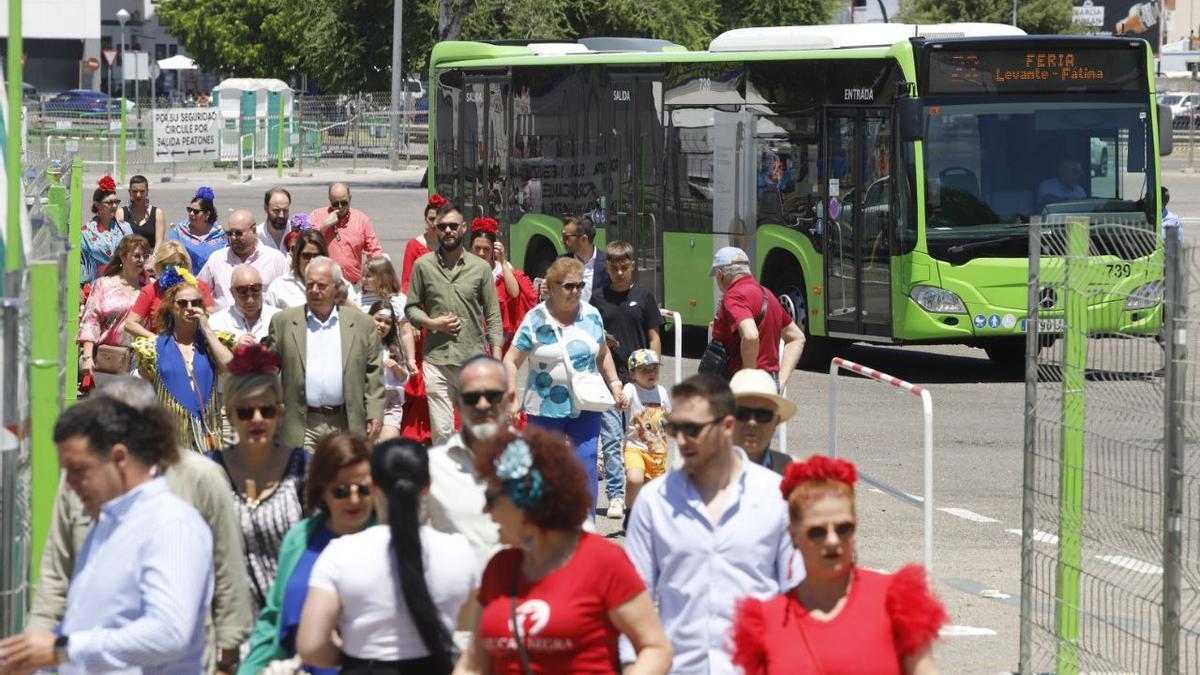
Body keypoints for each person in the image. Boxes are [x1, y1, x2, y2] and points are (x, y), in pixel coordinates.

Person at [24, 377, 252, 675]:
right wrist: (32, 656)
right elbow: (56, 580)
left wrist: (228, 659)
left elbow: (226, 571)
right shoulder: (91, 496)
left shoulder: (190, 495)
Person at [0, 397, 212, 673]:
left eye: (78, 471)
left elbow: (169, 632)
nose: (68, 487)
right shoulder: (110, 525)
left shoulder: (171, 524)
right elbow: (87, 624)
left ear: (119, 458)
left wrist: (62, 649)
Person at [454, 426, 672, 674]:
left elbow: (655, 648)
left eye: (491, 498)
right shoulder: (499, 568)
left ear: (526, 501)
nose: (485, 510)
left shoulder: (602, 561)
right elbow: (473, 665)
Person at [621, 373, 798, 674]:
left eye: (693, 429)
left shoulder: (776, 497)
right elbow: (633, 600)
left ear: (727, 426)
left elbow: (797, 596)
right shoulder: (653, 502)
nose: (680, 440)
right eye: (674, 428)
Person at [729, 456, 948, 674]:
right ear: (793, 536)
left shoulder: (896, 601)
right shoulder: (766, 622)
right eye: (817, 531)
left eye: (844, 528)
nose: (832, 541)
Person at [298, 439, 478, 674]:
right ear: (427, 485)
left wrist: (356, 656)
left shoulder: (341, 553)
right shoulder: (459, 551)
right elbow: (467, 621)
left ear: (372, 486)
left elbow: (311, 646)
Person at [240, 433, 376, 675]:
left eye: (363, 489)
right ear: (322, 490)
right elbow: (272, 618)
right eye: (341, 491)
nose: (354, 499)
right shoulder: (300, 539)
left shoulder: (390, 542)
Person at [504, 256, 627, 505]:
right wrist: (511, 397)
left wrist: (615, 384)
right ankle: (545, 526)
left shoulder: (591, 315)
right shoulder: (535, 319)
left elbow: (602, 354)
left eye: (580, 286)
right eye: (569, 286)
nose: (576, 292)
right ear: (551, 286)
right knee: (546, 465)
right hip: (544, 405)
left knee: (587, 459)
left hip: (586, 401)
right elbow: (510, 360)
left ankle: (585, 526)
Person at [207, 344, 308, 616]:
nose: (257, 419)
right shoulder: (209, 471)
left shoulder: (303, 468)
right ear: (229, 415)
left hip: (289, 615)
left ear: (280, 413)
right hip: (226, 617)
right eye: (245, 412)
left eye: (267, 411)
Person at [405, 201, 504, 444]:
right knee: (441, 431)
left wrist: (498, 357)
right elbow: (411, 308)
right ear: (435, 229)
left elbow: (492, 314)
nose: (447, 231)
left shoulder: (480, 268)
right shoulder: (423, 266)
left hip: (471, 359)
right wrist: (432, 323)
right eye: (442, 227)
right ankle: (445, 479)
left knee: (477, 429)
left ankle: (475, 478)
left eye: (452, 226)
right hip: (436, 360)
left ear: (463, 228)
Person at [269, 256, 385, 449]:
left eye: (321, 285)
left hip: (346, 423)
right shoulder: (284, 322)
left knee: (343, 479)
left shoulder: (361, 324)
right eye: (310, 285)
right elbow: (268, 370)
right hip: (301, 425)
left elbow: (373, 374)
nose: (314, 291)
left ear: (336, 286)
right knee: (305, 478)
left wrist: (375, 413)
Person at [590, 240, 664, 520]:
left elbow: (654, 335)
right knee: (611, 440)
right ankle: (617, 496)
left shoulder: (644, 296)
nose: (619, 273)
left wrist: (652, 370)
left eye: (624, 267)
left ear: (632, 265)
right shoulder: (598, 299)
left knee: (643, 437)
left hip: (639, 383)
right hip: (609, 380)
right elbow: (593, 336)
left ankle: (646, 493)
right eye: (614, 268)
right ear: (607, 267)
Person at [131, 271, 235, 453]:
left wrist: (207, 330)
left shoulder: (212, 344)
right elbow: (144, 396)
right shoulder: (152, 348)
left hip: (208, 441)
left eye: (195, 303)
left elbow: (231, 369)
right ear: (171, 307)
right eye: (182, 303)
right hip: (168, 444)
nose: (190, 308)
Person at [425, 355, 511, 569]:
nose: (482, 405)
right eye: (471, 398)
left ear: (508, 399)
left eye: (492, 395)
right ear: (458, 403)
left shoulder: (541, 459)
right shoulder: (431, 468)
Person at [710, 246, 805, 386]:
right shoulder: (768, 295)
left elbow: (750, 336)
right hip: (769, 384)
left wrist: (747, 379)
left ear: (720, 274)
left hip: (740, 387)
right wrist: (781, 380)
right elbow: (797, 337)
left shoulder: (734, 296)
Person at [398, 194, 446, 445]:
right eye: (430, 219)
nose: (433, 225)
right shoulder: (414, 245)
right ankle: (417, 430)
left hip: (444, 317)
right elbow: (406, 284)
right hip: (421, 316)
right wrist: (413, 319)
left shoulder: (450, 244)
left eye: (438, 221)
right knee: (421, 371)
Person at [78, 234, 149, 383]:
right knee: (111, 405)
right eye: (136, 256)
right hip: (110, 358)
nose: (141, 260)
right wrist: (88, 356)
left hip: (141, 360)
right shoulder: (103, 284)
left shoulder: (149, 287)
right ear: (123, 257)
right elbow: (91, 321)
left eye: (145, 256)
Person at [198, 209, 289, 310]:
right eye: (229, 233)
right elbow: (199, 288)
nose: (233, 237)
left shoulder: (274, 259)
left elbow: (287, 293)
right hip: (223, 323)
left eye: (238, 233)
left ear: (254, 231)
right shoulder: (217, 259)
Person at [468, 216, 537, 351]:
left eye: (486, 249)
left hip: (497, 335)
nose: (481, 253)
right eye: (477, 248)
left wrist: (503, 260)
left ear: (493, 249)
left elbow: (514, 292)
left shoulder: (502, 268)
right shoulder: (464, 268)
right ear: (470, 248)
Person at [125, 240, 216, 339]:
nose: (174, 270)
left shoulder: (199, 286)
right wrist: (157, 340)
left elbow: (211, 317)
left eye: (178, 265)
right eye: (168, 266)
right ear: (159, 266)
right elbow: (130, 324)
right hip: (162, 347)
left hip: (195, 344)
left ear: (185, 263)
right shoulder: (151, 289)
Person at [621, 349, 671, 515]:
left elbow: (669, 415)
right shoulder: (630, 388)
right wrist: (620, 400)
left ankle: (646, 520)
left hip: (658, 451)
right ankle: (630, 512)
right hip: (634, 447)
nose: (651, 373)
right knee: (635, 479)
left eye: (655, 369)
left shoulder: (662, 392)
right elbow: (623, 399)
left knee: (653, 492)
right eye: (644, 369)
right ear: (632, 373)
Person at [307, 182, 385, 286]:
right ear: (329, 199)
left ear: (350, 198)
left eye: (344, 203)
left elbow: (375, 251)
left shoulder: (361, 219)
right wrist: (323, 227)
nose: (340, 207)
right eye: (335, 204)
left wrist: (376, 278)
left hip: (353, 284)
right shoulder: (317, 216)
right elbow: (307, 243)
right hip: (325, 284)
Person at [265, 229, 362, 310]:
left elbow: (358, 319)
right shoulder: (279, 286)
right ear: (297, 256)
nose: (311, 261)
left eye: (316, 256)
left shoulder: (340, 284)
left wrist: (342, 298)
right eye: (306, 256)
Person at [729, 368, 796, 475]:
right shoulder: (702, 471)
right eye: (742, 413)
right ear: (727, 420)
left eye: (763, 415)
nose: (752, 422)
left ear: (776, 422)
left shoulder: (791, 472)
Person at [369, 300, 411, 441]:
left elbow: (404, 378)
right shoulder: (359, 343)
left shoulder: (393, 348)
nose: (382, 325)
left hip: (390, 401)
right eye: (378, 320)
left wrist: (396, 368)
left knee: (389, 444)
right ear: (369, 318)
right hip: (367, 400)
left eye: (387, 322)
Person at [80, 175, 133, 286]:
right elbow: (80, 262)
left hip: (123, 284)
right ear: (97, 205)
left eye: (116, 202)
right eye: (109, 203)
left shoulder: (125, 228)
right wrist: (83, 284)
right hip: (96, 285)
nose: (114, 206)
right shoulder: (86, 232)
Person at [210, 264, 280, 345]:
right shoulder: (217, 322)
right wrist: (235, 347)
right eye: (242, 292)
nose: (250, 300)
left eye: (255, 290)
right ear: (232, 292)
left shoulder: (279, 318)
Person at [167, 186, 227, 275]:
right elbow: (167, 253)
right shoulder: (179, 232)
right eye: (189, 210)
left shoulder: (220, 234)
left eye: (196, 211)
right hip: (186, 282)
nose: (191, 214)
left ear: (207, 214)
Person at [559, 215, 609, 300]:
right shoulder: (561, 262)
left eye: (566, 237)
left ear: (583, 239)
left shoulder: (608, 264)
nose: (561, 240)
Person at [117, 175, 166, 250]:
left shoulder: (157, 213)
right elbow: (118, 242)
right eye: (135, 191)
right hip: (129, 259)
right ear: (129, 192)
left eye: (142, 191)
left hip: (152, 258)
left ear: (147, 192)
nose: (138, 195)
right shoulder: (121, 213)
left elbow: (159, 242)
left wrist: (152, 259)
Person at [259, 188, 293, 252]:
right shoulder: (257, 236)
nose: (281, 215)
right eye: (276, 210)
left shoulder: (296, 232)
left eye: (285, 210)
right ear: (266, 208)